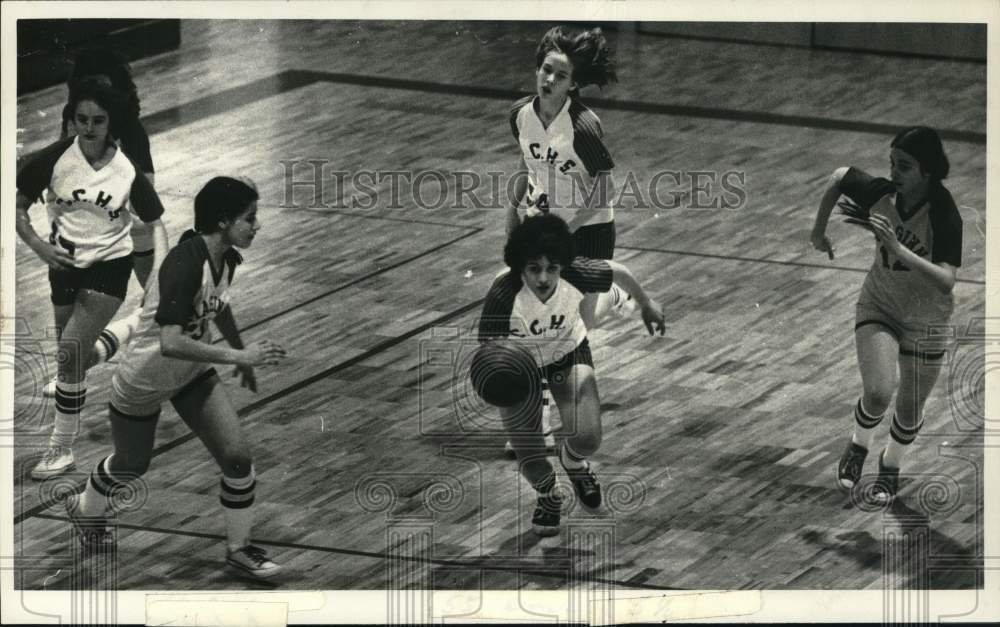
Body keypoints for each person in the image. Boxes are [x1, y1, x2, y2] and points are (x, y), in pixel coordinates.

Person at [64, 176, 288, 579]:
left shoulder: (226, 258)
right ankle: (85, 508)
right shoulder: (185, 264)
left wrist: (241, 356)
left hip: (191, 374)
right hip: (142, 382)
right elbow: (169, 341)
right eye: (249, 218)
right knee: (132, 465)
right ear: (223, 221)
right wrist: (237, 353)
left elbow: (217, 304)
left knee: (237, 458)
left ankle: (239, 550)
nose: (257, 225)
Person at [16, 78, 168, 480]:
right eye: (81, 119)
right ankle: (131, 328)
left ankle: (60, 450)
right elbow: (15, 206)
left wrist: (156, 274)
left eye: (97, 120)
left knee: (68, 355)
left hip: (108, 267)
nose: (88, 127)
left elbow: (155, 222)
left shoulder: (126, 170)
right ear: (71, 120)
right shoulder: (53, 159)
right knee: (74, 360)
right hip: (62, 263)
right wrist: (37, 245)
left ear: (110, 123)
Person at [478, 214, 665, 535]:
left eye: (552, 268)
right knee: (530, 455)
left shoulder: (578, 273)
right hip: (521, 367)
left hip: (568, 352)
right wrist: (503, 380)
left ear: (563, 265)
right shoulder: (503, 293)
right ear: (520, 266)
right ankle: (547, 496)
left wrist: (647, 304)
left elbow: (620, 272)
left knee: (588, 436)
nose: (543, 277)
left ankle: (574, 463)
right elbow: (488, 351)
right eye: (534, 268)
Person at [810, 126, 963, 505]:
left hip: (927, 319)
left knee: (909, 411)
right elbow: (839, 177)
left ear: (927, 171)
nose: (894, 172)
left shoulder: (944, 213)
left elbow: (945, 279)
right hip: (880, 305)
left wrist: (898, 248)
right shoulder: (881, 193)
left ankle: (890, 465)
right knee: (878, 392)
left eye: (905, 166)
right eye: (892, 163)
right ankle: (858, 448)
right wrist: (818, 231)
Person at [504, 26, 631, 456]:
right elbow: (525, 163)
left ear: (574, 83)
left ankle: (612, 292)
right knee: (536, 319)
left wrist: (567, 229)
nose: (550, 80)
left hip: (589, 227)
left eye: (561, 75)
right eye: (546, 70)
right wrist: (513, 212)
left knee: (581, 322)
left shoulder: (583, 126)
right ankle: (534, 424)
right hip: (544, 222)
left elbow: (604, 192)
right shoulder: (520, 114)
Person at [39, 47, 159, 400]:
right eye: (89, 84)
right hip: (83, 235)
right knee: (72, 343)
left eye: (103, 85)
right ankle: (81, 365)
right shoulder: (74, 118)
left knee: (157, 303)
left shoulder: (131, 129)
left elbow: (147, 183)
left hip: (131, 231)